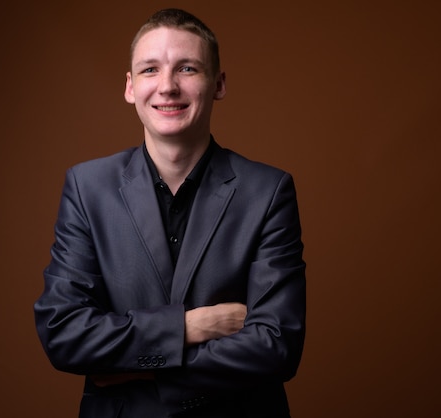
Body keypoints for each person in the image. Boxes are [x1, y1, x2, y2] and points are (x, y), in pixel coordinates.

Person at [33, 8, 306, 418]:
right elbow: (64, 335)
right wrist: (189, 328)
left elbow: (276, 348)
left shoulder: (269, 191)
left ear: (218, 84)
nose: (167, 86)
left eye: (187, 68)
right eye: (149, 70)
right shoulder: (87, 188)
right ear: (130, 87)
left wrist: (135, 368)